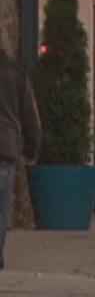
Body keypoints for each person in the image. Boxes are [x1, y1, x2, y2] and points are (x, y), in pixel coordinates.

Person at [0, 39, 43, 271]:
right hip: (5, 148)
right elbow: (29, 115)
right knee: (1, 207)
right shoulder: (16, 73)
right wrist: (31, 149)